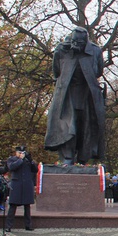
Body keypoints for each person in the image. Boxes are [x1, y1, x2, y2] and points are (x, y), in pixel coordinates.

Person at [44, 27, 106, 165]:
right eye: (74, 41)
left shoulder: (95, 51)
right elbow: (56, 71)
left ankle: (83, 158)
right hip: (67, 95)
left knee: (86, 125)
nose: (76, 45)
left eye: (80, 42)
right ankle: (68, 157)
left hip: (87, 94)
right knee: (67, 126)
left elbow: (98, 71)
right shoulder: (61, 50)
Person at [6, 145, 39, 232]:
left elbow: (35, 170)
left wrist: (30, 160)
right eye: (19, 153)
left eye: (23, 153)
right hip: (16, 184)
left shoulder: (28, 160)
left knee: (27, 206)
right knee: (13, 205)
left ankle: (28, 225)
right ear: (16, 153)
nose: (21, 154)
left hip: (27, 185)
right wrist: (20, 159)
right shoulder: (12, 159)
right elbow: (12, 167)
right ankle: (8, 226)